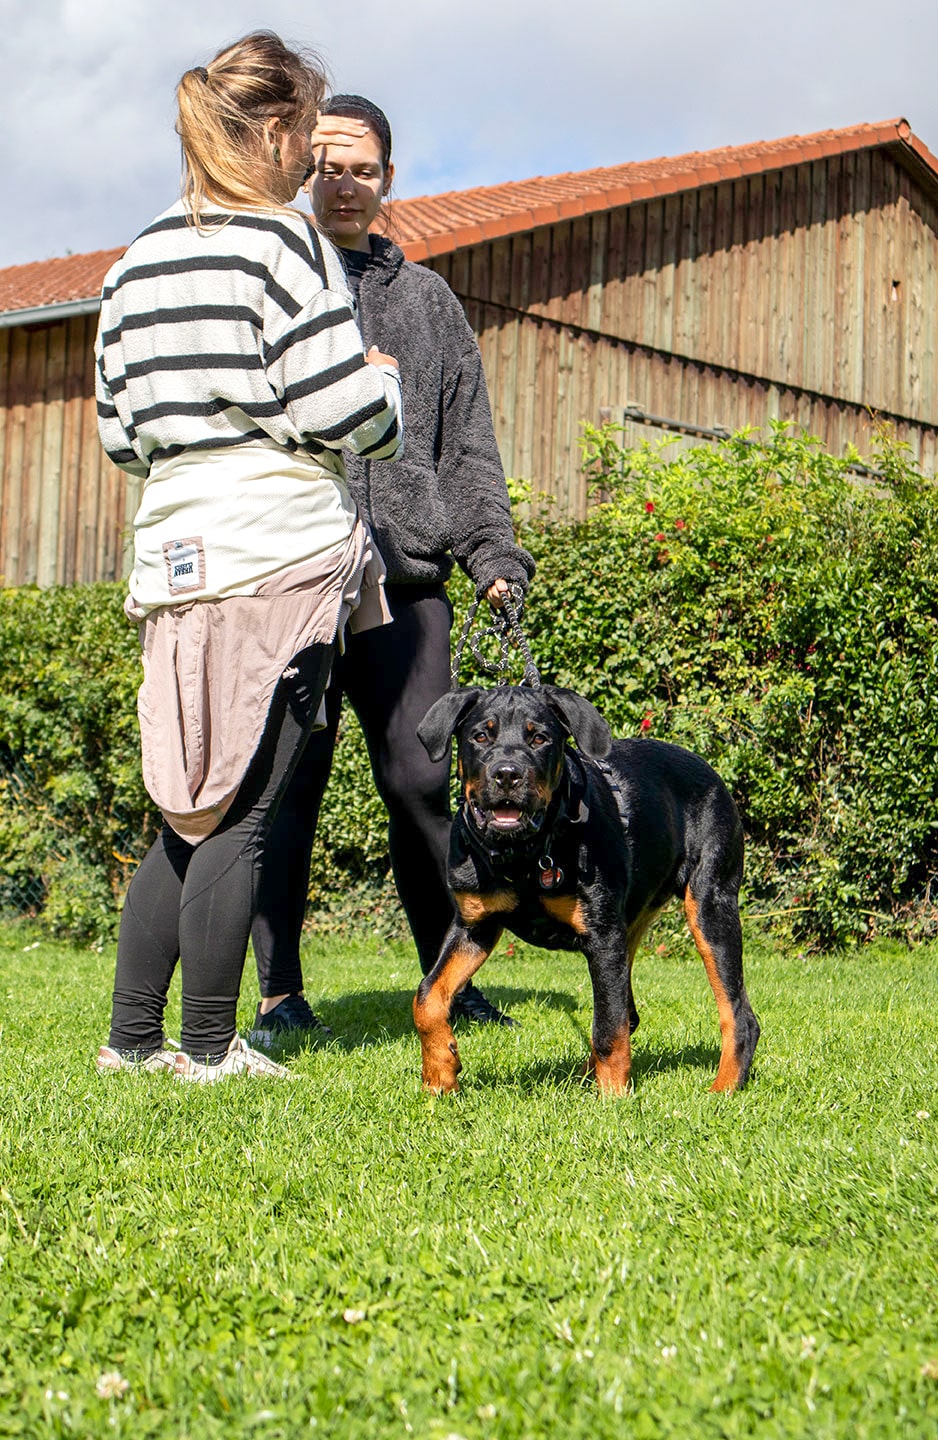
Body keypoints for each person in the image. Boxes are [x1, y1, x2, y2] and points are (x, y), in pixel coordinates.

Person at [94, 37, 403, 1081]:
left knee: (185, 802)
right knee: (247, 802)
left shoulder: (132, 258)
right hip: (273, 539)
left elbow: (118, 434)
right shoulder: (287, 246)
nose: (316, 171)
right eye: (308, 144)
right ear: (275, 135)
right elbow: (343, 411)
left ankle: (132, 1040)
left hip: (173, 543)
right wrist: (384, 386)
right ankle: (210, 1048)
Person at [248, 94, 535, 1047]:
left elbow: (468, 452)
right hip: (292, 571)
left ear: (388, 181)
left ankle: (448, 971)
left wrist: (492, 554)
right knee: (290, 785)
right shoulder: (271, 279)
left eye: (360, 168)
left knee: (421, 780)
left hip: (407, 586)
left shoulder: (429, 303)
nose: (342, 182)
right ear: (299, 168)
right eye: (325, 164)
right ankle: (279, 994)